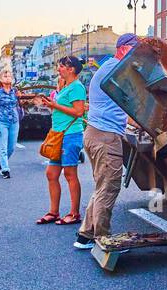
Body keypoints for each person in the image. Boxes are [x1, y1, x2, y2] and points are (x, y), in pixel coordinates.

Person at [75, 34, 137, 250]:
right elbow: (139, 96)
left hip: (95, 133)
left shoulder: (109, 67)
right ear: (122, 49)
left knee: (101, 186)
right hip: (105, 136)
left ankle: (85, 235)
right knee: (109, 187)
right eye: (134, 49)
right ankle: (103, 238)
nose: (136, 55)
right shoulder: (116, 70)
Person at [35, 56, 87, 226]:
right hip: (58, 134)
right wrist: (51, 104)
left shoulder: (77, 87)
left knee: (70, 174)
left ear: (71, 69)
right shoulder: (66, 86)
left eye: (61, 66)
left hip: (70, 134)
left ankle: (74, 213)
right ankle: (53, 212)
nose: (59, 69)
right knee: (51, 174)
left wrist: (55, 106)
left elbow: (79, 112)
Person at [0, 71, 21, 178]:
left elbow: (17, 104)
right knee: (2, 146)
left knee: (12, 147)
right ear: (0, 79)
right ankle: (5, 169)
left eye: (9, 76)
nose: (8, 78)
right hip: (1, 121)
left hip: (14, 121)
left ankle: (1, 163)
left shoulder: (15, 91)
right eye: (5, 76)